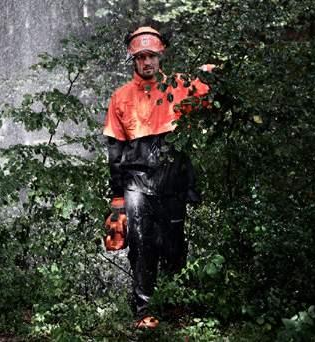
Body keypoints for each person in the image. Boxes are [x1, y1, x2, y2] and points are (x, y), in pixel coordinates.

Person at [103, 26, 211, 329]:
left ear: (160, 55)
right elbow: (115, 150)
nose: (146, 62)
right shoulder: (120, 97)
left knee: (174, 245)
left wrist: (213, 72)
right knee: (141, 245)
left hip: (173, 181)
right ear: (133, 59)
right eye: (140, 57)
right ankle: (143, 312)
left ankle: (174, 305)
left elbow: (210, 92)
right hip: (137, 183)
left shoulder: (178, 87)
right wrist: (117, 200)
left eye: (151, 56)